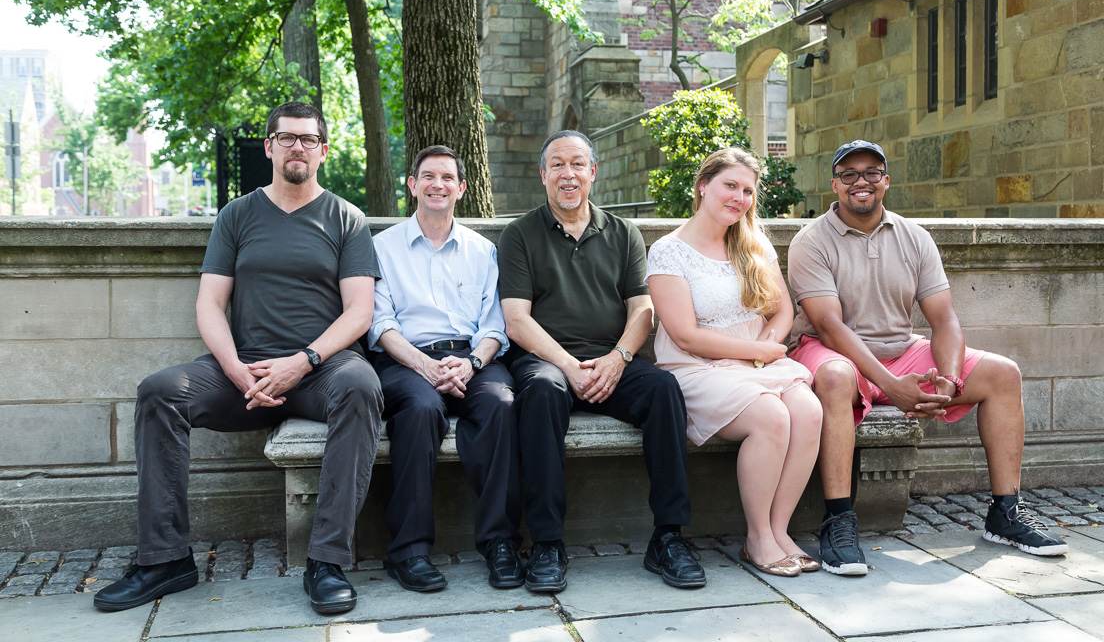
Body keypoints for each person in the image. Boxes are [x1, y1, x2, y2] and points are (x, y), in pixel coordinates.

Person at [94, 102, 384, 615]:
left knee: (362, 386)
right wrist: (234, 369)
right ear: (269, 146)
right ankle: (165, 560)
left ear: (323, 150)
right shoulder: (238, 214)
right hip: (245, 369)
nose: (298, 147)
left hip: (322, 371)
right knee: (160, 392)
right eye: (287, 138)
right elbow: (210, 302)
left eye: (308, 139)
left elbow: (360, 312)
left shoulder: (346, 217)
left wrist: (304, 360)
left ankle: (327, 561)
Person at [788, 139, 1068, 576]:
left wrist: (951, 380)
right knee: (837, 377)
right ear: (835, 185)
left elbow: (945, 320)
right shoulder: (811, 240)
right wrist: (891, 386)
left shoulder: (914, 237)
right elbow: (830, 327)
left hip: (901, 351)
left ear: (886, 181)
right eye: (849, 174)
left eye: (871, 173)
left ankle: (1005, 514)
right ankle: (839, 521)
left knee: (1003, 374)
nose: (860, 182)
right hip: (832, 353)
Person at [498, 129, 706, 593]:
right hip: (546, 360)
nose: (567, 174)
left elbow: (642, 309)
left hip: (613, 358)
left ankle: (669, 537)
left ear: (593, 171)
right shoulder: (520, 234)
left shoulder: (622, 233)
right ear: (543, 175)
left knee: (663, 390)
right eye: (557, 165)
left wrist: (619, 358)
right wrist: (569, 366)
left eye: (577, 164)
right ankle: (548, 543)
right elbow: (516, 320)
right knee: (542, 390)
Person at [646, 148, 822, 577]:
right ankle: (757, 537)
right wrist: (757, 353)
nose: (739, 197)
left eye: (747, 190)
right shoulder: (669, 252)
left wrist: (765, 344)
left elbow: (783, 311)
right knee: (771, 418)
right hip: (697, 367)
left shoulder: (753, 243)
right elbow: (685, 334)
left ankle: (780, 532)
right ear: (703, 185)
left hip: (755, 361)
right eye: (730, 185)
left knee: (809, 410)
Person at [368, 145, 523, 592]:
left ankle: (501, 543)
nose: (438, 185)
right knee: (419, 410)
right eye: (428, 177)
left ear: (462, 188)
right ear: (413, 185)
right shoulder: (382, 248)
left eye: (447, 178)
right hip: (405, 358)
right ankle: (409, 551)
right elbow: (379, 323)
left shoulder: (483, 251)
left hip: (471, 358)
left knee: (500, 404)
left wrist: (472, 364)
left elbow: (496, 323)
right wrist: (425, 366)